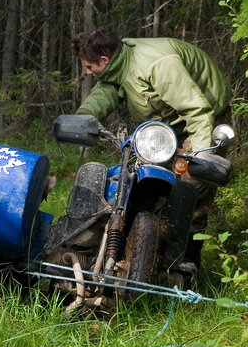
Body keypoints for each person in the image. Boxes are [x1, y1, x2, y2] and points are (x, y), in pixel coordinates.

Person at [72, 28, 231, 270]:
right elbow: (105, 93)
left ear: (104, 60)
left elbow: (197, 111)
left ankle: (183, 263)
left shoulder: (157, 65)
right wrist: (83, 118)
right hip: (164, 127)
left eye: (89, 67)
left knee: (189, 191)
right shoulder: (118, 66)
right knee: (135, 180)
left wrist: (202, 156)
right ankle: (135, 251)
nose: (87, 72)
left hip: (202, 119)